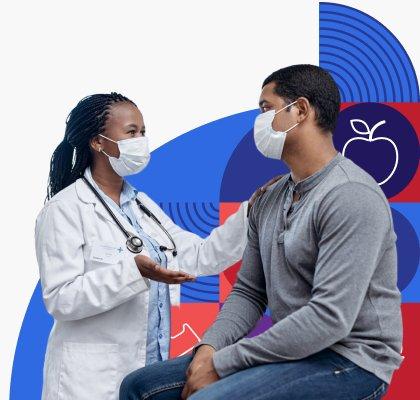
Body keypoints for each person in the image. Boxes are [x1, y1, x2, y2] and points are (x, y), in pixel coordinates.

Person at [119, 65, 404, 400]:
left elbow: (330, 318)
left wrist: (224, 364)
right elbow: (249, 292)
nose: (260, 120)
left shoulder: (351, 195)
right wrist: (209, 349)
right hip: (296, 353)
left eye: (267, 108)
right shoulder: (268, 199)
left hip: (352, 360)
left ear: (300, 110)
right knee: (139, 387)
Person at [34, 92, 278, 400]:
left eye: (143, 133)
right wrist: (133, 273)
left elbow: (201, 255)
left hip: (147, 369)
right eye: (132, 132)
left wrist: (250, 211)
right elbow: (60, 298)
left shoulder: (142, 206)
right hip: (89, 381)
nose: (141, 141)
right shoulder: (65, 209)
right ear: (98, 143)